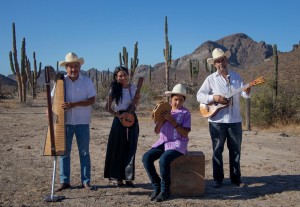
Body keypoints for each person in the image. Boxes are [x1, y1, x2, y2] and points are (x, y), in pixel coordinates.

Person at [196, 48, 251, 188]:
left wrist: (248, 90)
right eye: (218, 61)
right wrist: (213, 97)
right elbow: (199, 96)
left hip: (235, 121)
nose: (221, 63)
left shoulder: (237, 77)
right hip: (217, 121)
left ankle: (236, 179)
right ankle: (218, 179)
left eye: (223, 60)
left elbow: (245, 95)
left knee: (236, 151)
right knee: (217, 150)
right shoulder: (210, 79)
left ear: (226, 60)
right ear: (214, 64)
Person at [142, 84, 191, 202]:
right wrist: (161, 121)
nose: (177, 102)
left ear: (184, 101)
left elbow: (185, 133)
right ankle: (156, 186)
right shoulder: (163, 110)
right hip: (163, 142)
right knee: (146, 158)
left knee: (164, 160)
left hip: (178, 144)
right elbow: (156, 131)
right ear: (171, 99)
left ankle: (165, 190)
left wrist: (172, 121)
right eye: (175, 99)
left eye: (181, 100)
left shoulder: (186, 113)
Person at [55, 52, 96, 191]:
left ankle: (86, 181)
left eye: (76, 66)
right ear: (66, 68)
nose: (73, 69)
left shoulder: (87, 81)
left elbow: (92, 100)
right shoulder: (60, 82)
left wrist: (74, 104)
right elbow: (53, 98)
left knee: (84, 152)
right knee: (64, 152)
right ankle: (64, 181)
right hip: (65, 123)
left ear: (80, 67)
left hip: (82, 122)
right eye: (70, 66)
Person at [104, 66, 140, 187]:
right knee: (118, 148)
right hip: (119, 121)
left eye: (125, 75)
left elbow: (135, 105)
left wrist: (132, 109)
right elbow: (107, 108)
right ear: (116, 77)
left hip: (132, 119)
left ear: (128, 75)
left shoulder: (133, 88)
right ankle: (118, 178)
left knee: (131, 147)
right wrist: (118, 115)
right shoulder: (113, 89)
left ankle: (128, 178)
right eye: (120, 76)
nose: (123, 78)